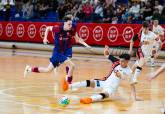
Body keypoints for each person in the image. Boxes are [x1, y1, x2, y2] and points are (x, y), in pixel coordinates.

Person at [24, 15, 91, 84]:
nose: (70, 26)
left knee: (48, 70)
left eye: (71, 24)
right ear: (64, 23)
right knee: (71, 65)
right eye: (69, 24)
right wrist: (45, 38)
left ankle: (29, 69)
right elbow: (47, 28)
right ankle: (69, 84)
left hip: (65, 49)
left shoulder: (72, 28)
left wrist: (86, 44)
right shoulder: (58, 28)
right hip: (58, 52)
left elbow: (77, 39)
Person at [62, 46, 141, 104]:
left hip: (112, 88)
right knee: (90, 82)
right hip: (104, 81)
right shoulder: (116, 62)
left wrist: (134, 98)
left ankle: (90, 99)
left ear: (127, 62)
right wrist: (106, 50)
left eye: (122, 61)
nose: (120, 62)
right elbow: (106, 55)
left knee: (105, 95)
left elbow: (132, 85)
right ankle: (68, 86)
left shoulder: (129, 71)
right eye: (120, 61)